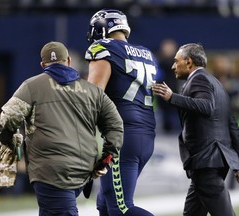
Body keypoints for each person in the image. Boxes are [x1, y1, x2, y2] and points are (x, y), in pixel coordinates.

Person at [0, 41, 124, 215]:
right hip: (84, 170)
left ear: (43, 65)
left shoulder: (31, 86)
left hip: (50, 172)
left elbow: (7, 118)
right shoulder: (93, 91)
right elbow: (115, 125)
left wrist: (8, 142)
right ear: (69, 61)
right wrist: (107, 157)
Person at [152, 43, 239, 216]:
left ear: (189, 62)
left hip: (206, 160)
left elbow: (206, 107)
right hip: (212, 161)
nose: (173, 66)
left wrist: (172, 97)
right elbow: (232, 126)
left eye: (176, 61)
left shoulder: (199, 79)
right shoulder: (217, 84)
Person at [85, 9, 158, 216]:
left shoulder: (103, 48)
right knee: (105, 205)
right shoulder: (145, 53)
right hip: (146, 133)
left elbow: (92, 97)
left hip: (121, 136)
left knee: (121, 207)